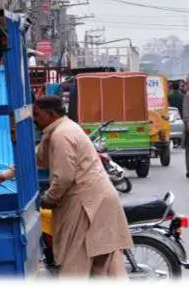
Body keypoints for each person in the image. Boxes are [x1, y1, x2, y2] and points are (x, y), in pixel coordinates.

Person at [32, 96, 132, 277]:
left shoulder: (62, 135)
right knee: (104, 268)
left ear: (50, 114)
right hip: (98, 199)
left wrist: (49, 199)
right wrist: (9, 173)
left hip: (87, 204)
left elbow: (64, 177)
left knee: (75, 266)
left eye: (37, 115)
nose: (34, 119)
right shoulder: (60, 129)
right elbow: (38, 158)